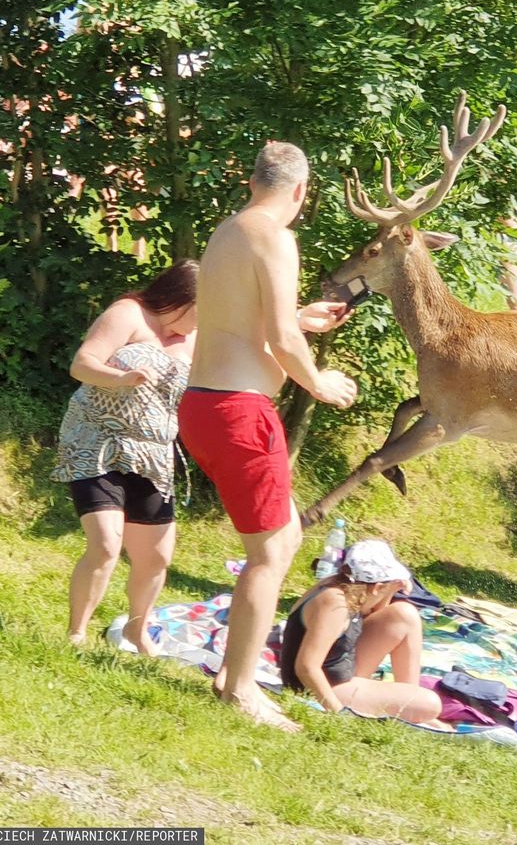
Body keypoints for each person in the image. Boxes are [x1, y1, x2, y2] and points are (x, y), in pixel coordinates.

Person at [179, 141, 358, 731]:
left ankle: (235, 678)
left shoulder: (228, 232)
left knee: (278, 545)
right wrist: (320, 382)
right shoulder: (276, 237)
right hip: (239, 411)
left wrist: (301, 318)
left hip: (207, 403)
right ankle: (238, 689)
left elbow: (245, 322)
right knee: (271, 552)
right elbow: (280, 339)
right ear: (301, 192)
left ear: (252, 182)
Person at [54, 260, 199, 655]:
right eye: (202, 310)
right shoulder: (129, 314)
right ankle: (76, 634)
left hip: (153, 456)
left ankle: (138, 631)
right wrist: (121, 379)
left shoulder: (196, 338)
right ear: (181, 299)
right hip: (97, 442)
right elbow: (82, 364)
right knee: (104, 544)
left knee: (156, 557)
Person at [282, 541, 445, 724]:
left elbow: (375, 613)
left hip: (340, 669)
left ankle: (407, 703)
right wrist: (338, 712)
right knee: (431, 703)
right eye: (387, 586)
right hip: (321, 686)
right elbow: (306, 667)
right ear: (375, 588)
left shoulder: (347, 586)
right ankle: (410, 706)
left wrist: (391, 589)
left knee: (405, 615)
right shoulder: (334, 605)